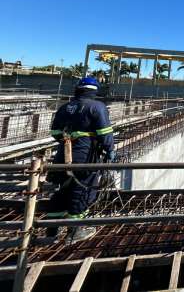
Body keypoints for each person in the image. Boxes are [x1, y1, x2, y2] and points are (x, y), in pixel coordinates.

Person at [46, 77, 115, 243]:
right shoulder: (96, 106)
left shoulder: (64, 107)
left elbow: (55, 133)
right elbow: (105, 133)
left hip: (63, 156)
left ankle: (51, 230)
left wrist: (69, 140)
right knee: (81, 190)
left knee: (62, 189)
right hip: (85, 156)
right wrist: (109, 150)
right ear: (94, 91)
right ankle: (75, 231)